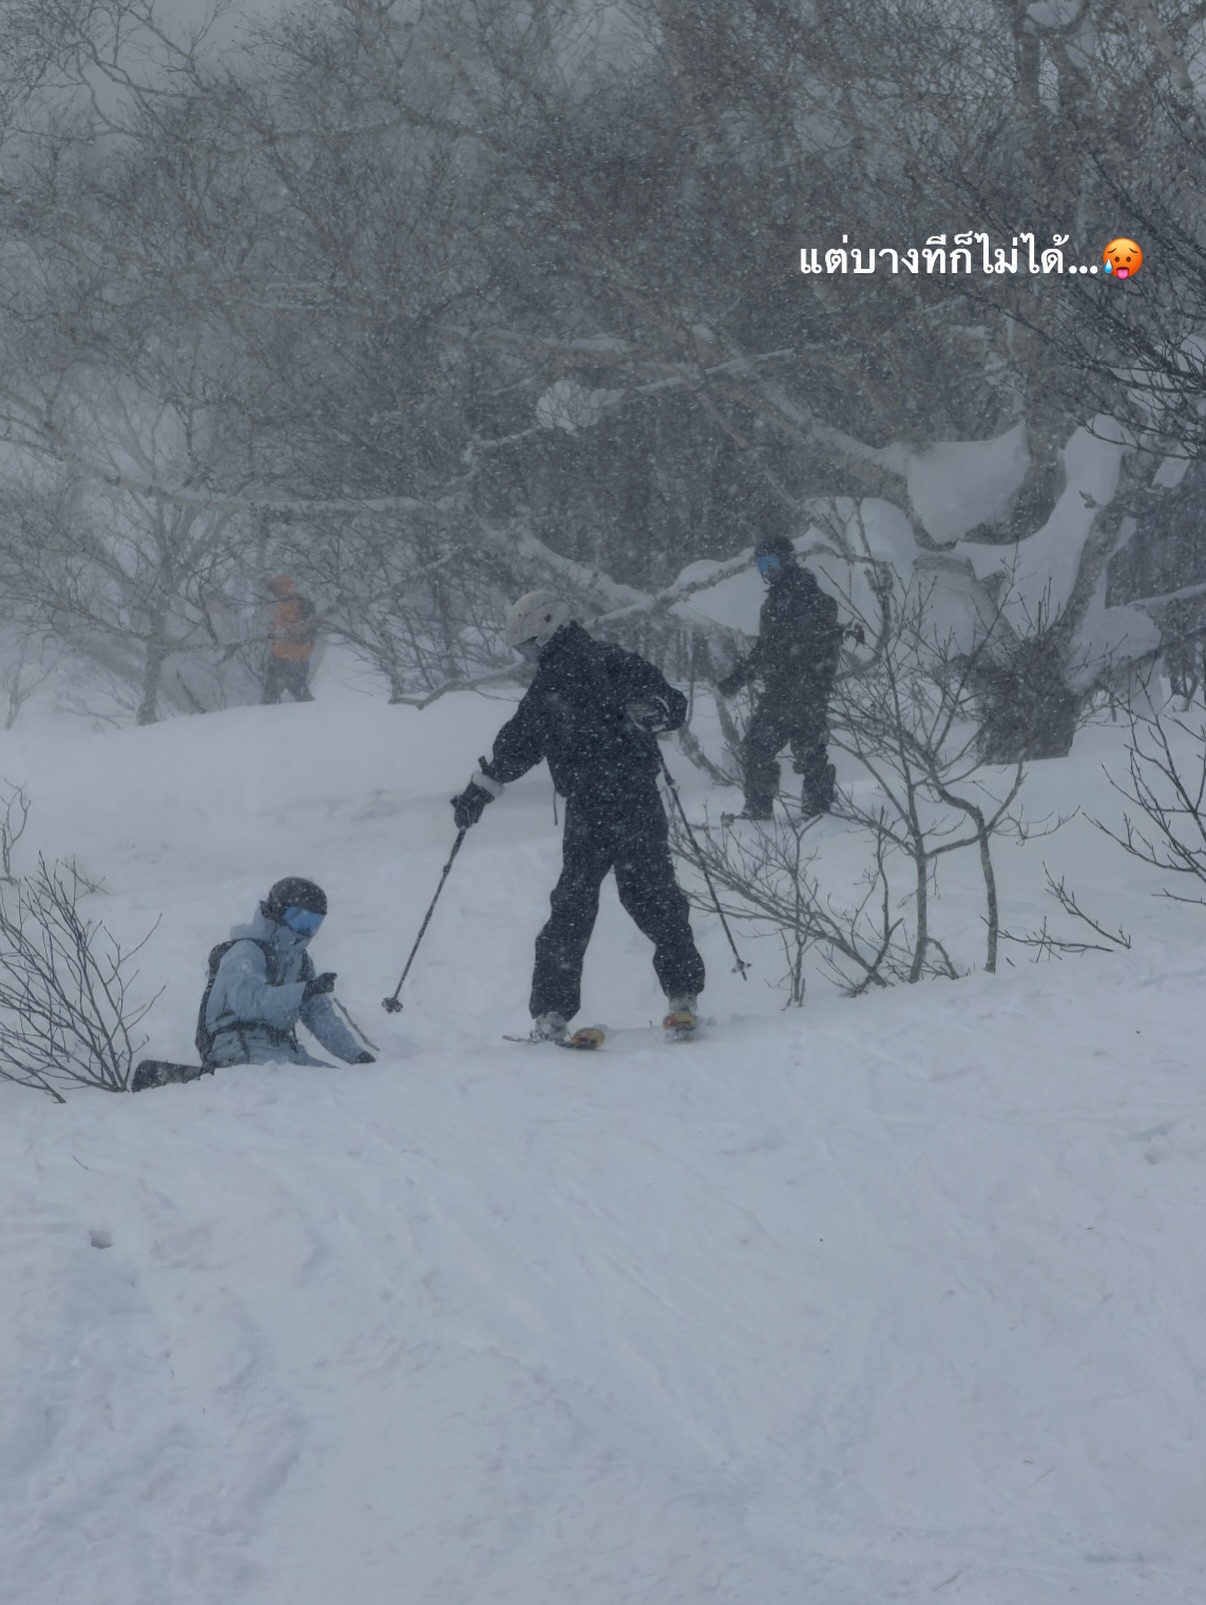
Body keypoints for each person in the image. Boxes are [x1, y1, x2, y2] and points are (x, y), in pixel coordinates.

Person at [449, 590, 706, 1043]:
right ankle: (682, 996)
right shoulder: (604, 665)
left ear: (546, 631)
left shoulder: (567, 680)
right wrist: (657, 710)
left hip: (595, 809)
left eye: (528, 646)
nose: (528, 656)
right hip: (632, 803)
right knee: (652, 896)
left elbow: (517, 745)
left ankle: (552, 1013)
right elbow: (672, 706)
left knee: (572, 907)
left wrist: (479, 791)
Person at [717, 533, 842, 821]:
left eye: (771, 563)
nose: (767, 572)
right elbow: (766, 648)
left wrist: (808, 676)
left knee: (809, 752)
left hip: (807, 691)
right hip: (779, 691)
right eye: (761, 566)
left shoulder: (812, 597)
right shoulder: (773, 603)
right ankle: (758, 811)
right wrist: (739, 677)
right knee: (758, 746)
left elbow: (822, 645)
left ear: (786, 561)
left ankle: (819, 814)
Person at [197, 877, 375, 1067]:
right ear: (278, 912)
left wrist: (355, 1056)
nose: (305, 929)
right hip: (235, 1045)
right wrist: (304, 990)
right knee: (313, 1085)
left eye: (314, 923)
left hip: (283, 1048)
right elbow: (249, 1003)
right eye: (299, 919)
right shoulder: (246, 951)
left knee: (344, 1086)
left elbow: (319, 1014)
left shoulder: (300, 962)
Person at [262, 575, 317, 704]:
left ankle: (314, 715)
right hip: (289, 656)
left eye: (280, 589)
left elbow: (304, 630)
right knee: (294, 691)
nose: (277, 593)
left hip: (290, 656)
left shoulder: (301, 605)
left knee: (278, 693)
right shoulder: (283, 605)